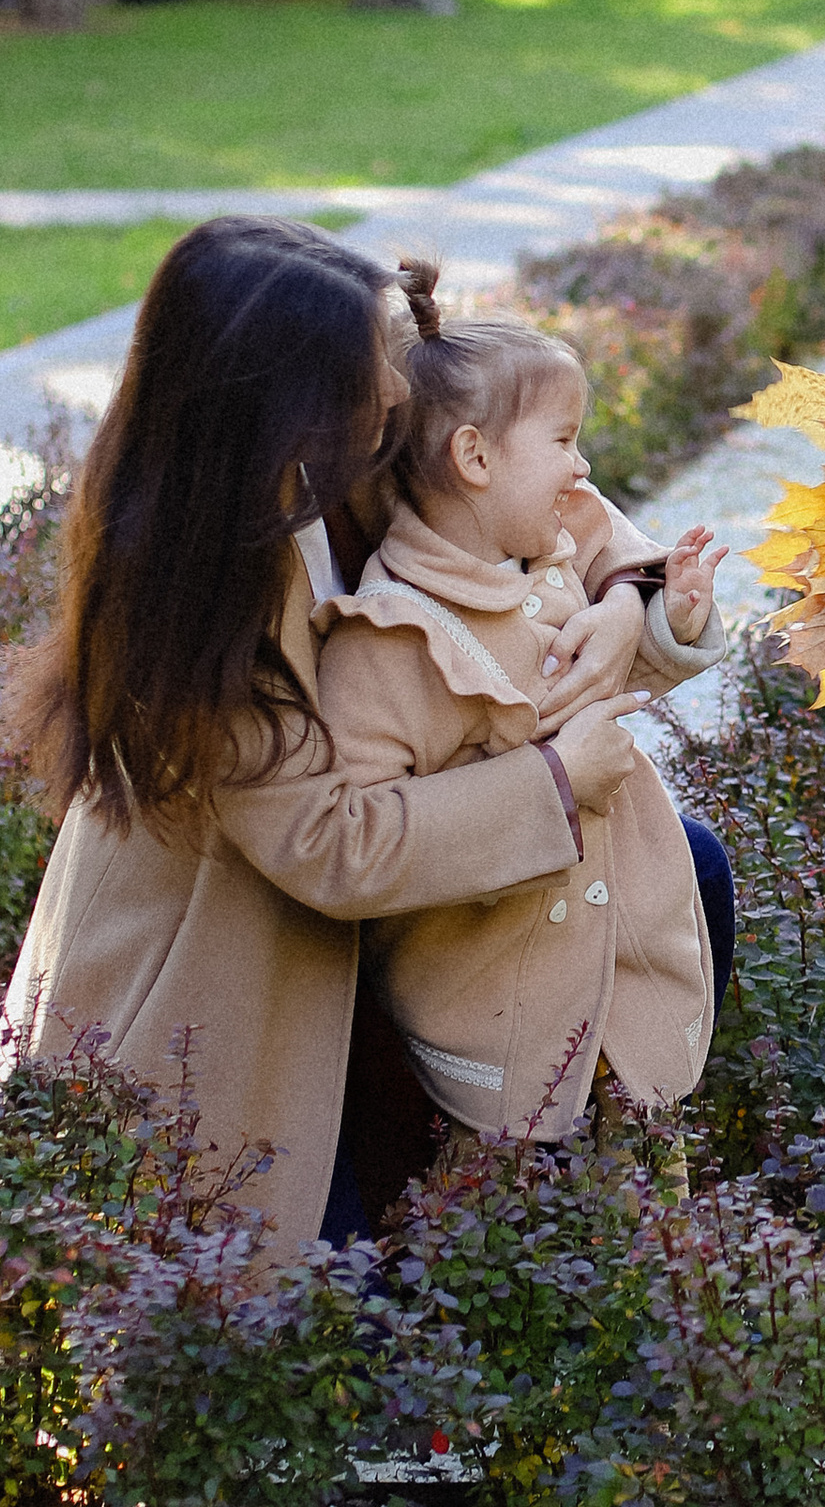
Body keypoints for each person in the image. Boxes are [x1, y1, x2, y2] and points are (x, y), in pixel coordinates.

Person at [3, 215, 673, 1252]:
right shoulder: (211, 578)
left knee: (688, 872)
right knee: (308, 1293)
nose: (402, 389)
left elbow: (539, 480)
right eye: (374, 370)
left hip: (385, 889)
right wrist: (551, 782)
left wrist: (625, 594)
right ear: (280, 404)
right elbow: (326, 843)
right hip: (238, 957)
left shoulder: (358, 439)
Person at [311, 280, 733, 1151]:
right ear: (474, 458)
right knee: (510, 1192)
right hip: (500, 980)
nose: (584, 469)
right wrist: (547, 781)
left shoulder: (538, 560)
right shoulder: (393, 638)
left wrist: (666, 616)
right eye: (566, 442)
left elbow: (603, 676)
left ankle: (656, 1260)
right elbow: (369, 824)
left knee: (636, 1164)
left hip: (613, 943)